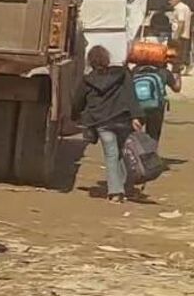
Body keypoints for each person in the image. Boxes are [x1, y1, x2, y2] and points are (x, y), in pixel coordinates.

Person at [74, 45, 146, 202]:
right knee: (123, 153)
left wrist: (75, 117)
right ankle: (125, 187)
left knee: (111, 154)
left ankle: (116, 192)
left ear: (90, 61)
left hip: (102, 122)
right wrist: (136, 117)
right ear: (107, 59)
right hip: (122, 120)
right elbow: (131, 95)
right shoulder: (122, 74)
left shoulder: (88, 80)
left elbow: (78, 101)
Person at [132, 50, 181, 143]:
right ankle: (151, 150)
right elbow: (177, 88)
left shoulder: (135, 70)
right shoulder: (163, 72)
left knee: (133, 135)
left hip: (137, 107)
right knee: (153, 136)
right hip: (156, 108)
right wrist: (176, 69)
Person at [170, 0, 192, 76]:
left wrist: (176, 35)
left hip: (180, 35)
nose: (169, 2)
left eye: (170, 0)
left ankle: (177, 70)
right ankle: (186, 66)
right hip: (185, 34)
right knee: (183, 52)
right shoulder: (185, 7)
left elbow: (181, 22)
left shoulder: (179, 8)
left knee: (178, 53)